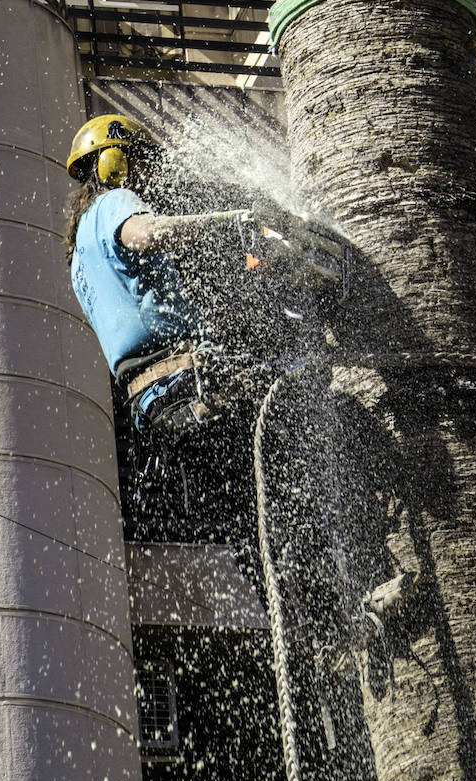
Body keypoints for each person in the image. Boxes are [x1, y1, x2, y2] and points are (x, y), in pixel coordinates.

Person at [64, 112, 345, 550]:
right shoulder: (112, 205)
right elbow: (148, 233)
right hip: (191, 385)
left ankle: (318, 601)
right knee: (309, 419)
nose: (146, 180)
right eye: (138, 165)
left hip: (160, 415)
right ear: (113, 163)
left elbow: (153, 321)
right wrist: (234, 223)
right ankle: (362, 557)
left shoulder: (80, 259)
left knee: (261, 529)